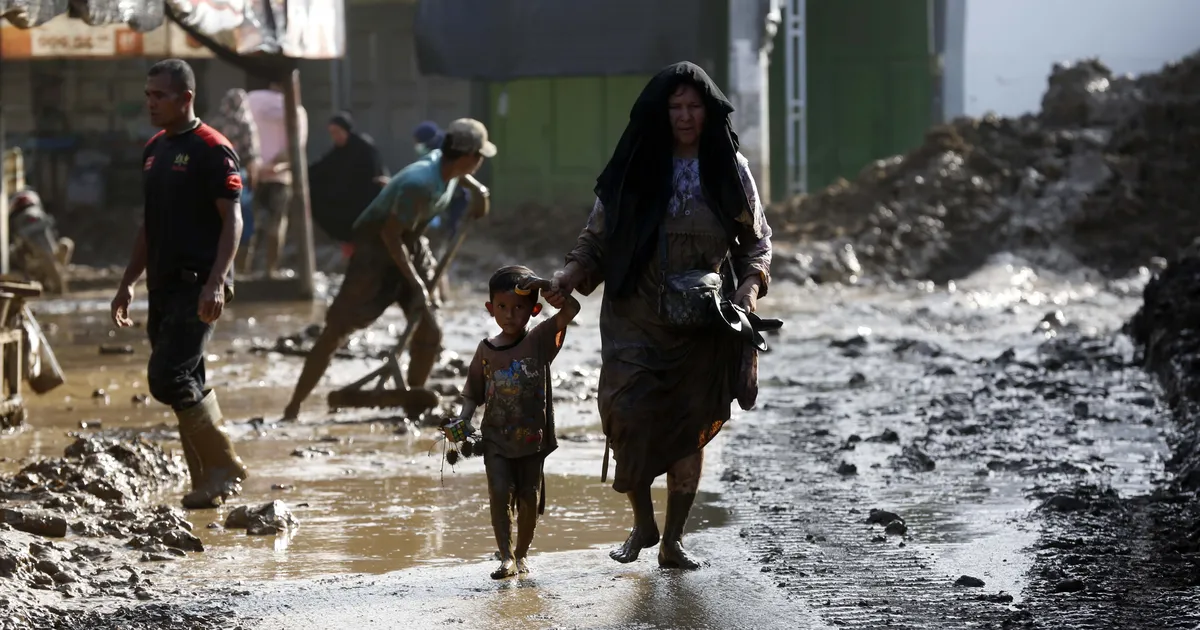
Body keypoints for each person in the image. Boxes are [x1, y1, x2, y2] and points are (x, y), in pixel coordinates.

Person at [545, 62, 773, 569]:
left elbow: (756, 239)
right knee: (627, 414)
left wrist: (749, 288)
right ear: (661, 112)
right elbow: (597, 238)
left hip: (703, 320)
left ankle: (672, 540)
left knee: (689, 428)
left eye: (694, 107)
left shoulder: (729, 169)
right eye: (676, 107)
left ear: (708, 112)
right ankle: (642, 522)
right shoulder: (637, 166)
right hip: (636, 313)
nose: (686, 116)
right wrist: (569, 275)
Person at [281, 119, 497, 421]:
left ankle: (413, 402)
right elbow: (389, 236)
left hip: (409, 244)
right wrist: (417, 284)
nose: (481, 162)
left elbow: (469, 198)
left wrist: (478, 191)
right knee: (336, 331)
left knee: (429, 330)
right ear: (467, 157)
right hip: (376, 253)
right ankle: (293, 406)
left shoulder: (450, 169)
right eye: (480, 157)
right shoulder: (420, 183)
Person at [110, 58, 248, 510]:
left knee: (167, 377)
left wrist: (216, 282)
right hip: (163, 285)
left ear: (185, 98)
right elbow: (148, 227)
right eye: (148, 95)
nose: (150, 103)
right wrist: (129, 280)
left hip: (199, 284)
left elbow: (233, 221)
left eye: (159, 96)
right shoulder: (153, 149)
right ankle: (206, 482)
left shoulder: (213, 148)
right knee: (187, 377)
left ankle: (224, 464)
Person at [446, 266, 580, 579]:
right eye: (503, 307)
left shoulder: (540, 339)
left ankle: (521, 554)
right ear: (490, 309)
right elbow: (473, 394)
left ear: (534, 310)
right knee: (499, 492)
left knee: (528, 502)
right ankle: (505, 556)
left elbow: (571, 308)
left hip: (532, 440)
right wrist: (461, 421)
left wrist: (547, 285)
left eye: (519, 308)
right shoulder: (486, 350)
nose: (510, 315)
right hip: (494, 439)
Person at [245, 82, 308, 275]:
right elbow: (296, 146)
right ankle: (270, 271)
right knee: (277, 223)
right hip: (279, 176)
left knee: (247, 223)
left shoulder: (250, 99)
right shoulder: (295, 108)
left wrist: (256, 164)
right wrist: (276, 165)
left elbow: (239, 131)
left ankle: (241, 272)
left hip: (251, 173)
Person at [309, 111, 389, 250]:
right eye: (332, 133)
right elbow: (321, 168)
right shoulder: (338, 151)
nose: (335, 136)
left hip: (365, 199)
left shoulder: (364, 147)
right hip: (347, 200)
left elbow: (374, 174)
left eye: (338, 131)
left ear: (346, 130)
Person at [208, 88, 261, 274]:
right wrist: (254, 180)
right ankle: (241, 269)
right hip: (240, 178)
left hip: (216, 177)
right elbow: (252, 155)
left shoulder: (215, 124)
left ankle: (221, 269)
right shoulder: (246, 124)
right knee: (241, 220)